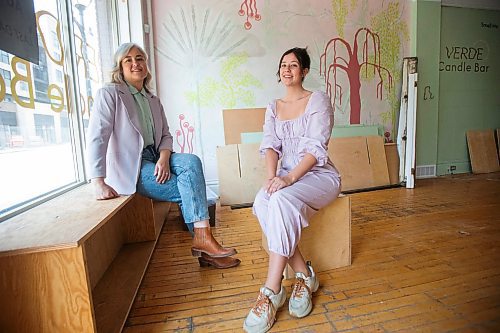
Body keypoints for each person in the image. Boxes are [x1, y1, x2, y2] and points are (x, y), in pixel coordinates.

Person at [87, 42, 240, 269]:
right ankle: (205, 245)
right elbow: (97, 135)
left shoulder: (152, 99)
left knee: (192, 162)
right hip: (133, 166)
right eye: (128, 60)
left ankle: (204, 243)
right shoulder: (110, 94)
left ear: (146, 64)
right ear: (119, 66)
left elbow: (166, 135)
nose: (135, 63)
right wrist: (97, 180)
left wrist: (164, 157)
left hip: (156, 157)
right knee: (190, 189)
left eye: (139, 58)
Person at [243, 47, 341, 332]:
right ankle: (304, 274)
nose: (287, 69)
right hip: (285, 175)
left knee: (282, 200)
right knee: (262, 202)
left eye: (294, 65)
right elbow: (271, 146)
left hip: (319, 175)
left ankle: (271, 291)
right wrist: (273, 178)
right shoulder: (274, 107)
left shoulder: (317, 100)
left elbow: (315, 149)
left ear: (305, 71)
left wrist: (287, 181)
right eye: (283, 65)